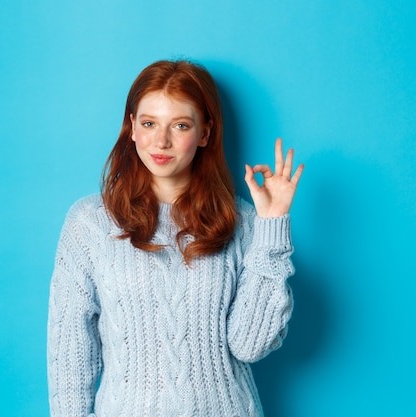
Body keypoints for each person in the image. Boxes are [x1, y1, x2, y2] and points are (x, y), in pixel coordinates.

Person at [47, 59, 304, 417]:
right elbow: (70, 353)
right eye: (149, 123)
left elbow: (249, 344)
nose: (161, 141)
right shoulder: (89, 223)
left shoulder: (242, 221)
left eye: (180, 125)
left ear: (205, 133)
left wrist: (272, 225)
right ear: (132, 127)